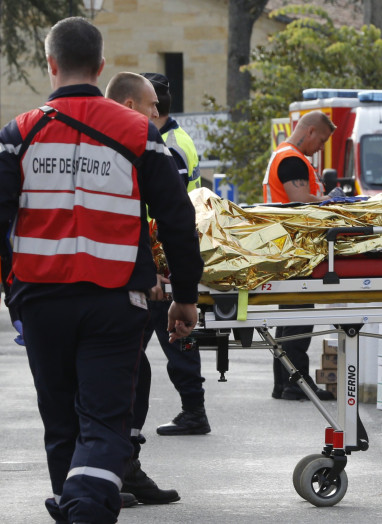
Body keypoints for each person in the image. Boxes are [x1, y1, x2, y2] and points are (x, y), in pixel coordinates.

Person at [0, 17, 203, 524]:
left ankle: (72, 504)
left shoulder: (18, 134)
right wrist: (185, 295)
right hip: (115, 301)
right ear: (101, 66)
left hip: (41, 300)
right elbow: (178, 219)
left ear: (50, 65)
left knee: (60, 417)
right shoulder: (139, 133)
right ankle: (86, 507)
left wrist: (12, 293)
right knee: (105, 419)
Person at [104, 71, 186, 506]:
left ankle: (121, 469)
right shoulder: (128, 143)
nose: (160, 113)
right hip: (105, 285)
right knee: (116, 379)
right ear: (132, 106)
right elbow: (134, 219)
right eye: (153, 105)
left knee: (134, 373)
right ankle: (104, 479)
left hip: (89, 284)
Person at [134, 72, 210, 437]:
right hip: (165, 255)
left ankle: (193, 410)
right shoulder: (172, 139)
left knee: (173, 333)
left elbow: (171, 210)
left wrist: (165, 270)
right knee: (174, 335)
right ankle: (193, 409)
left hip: (162, 258)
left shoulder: (168, 145)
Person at [263, 110, 336, 400]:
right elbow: (301, 201)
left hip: (287, 246)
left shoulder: (285, 155)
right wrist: (331, 201)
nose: (322, 147)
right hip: (296, 247)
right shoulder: (292, 159)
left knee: (292, 316)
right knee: (299, 318)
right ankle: (297, 382)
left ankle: (284, 383)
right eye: (322, 140)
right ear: (309, 132)